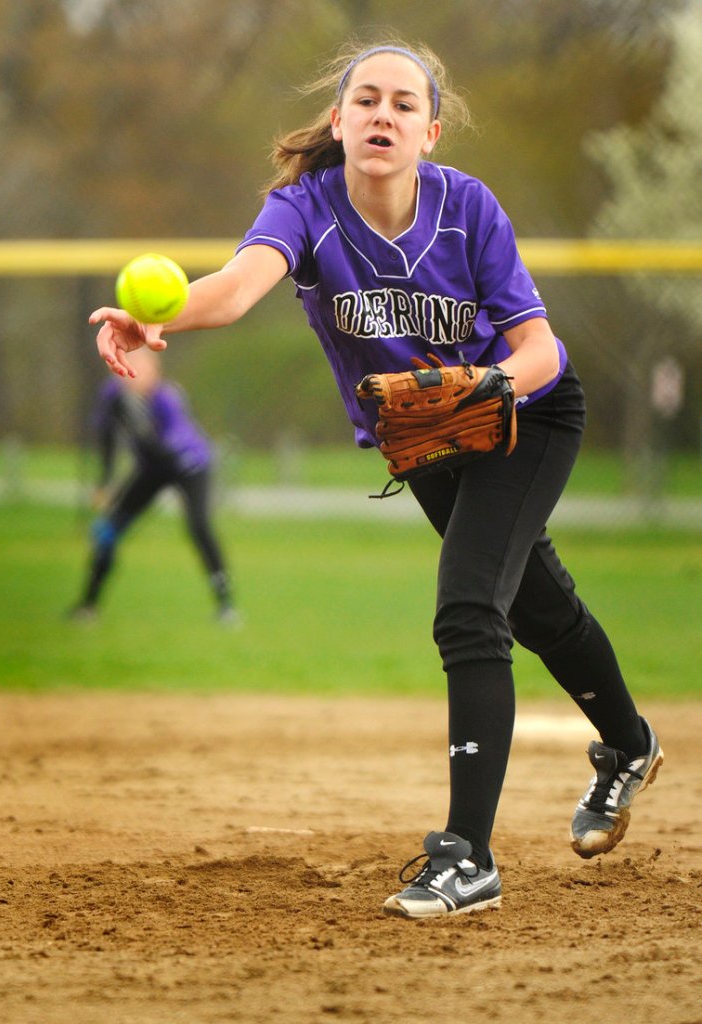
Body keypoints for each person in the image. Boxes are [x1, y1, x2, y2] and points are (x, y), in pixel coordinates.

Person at [89, 39, 663, 918]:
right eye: (365, 100)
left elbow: (539, 349)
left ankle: (466, 858)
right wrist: (147, 317)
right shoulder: (304, 208)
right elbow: (239, 288)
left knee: (469, 605)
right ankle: (627, 745)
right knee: (535, 604)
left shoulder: (467, 207)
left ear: (428, 131)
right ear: (339, 120)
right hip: (424, 437)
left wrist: (492, 385)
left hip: (525, 415)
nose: (381, 114)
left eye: (402, 103)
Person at [69, 346, 239, 626]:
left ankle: (226, 606)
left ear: (155, 373)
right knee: (109, 530)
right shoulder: (113, 397)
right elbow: (107, 438)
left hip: (189, 465)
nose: (134, 375)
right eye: (129, 367)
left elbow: (167, 449)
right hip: (151, 469)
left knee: (198, 526)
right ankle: (87, 606)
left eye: (143, 369)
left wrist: (143, 431)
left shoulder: (167, 399)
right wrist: (105, 483)